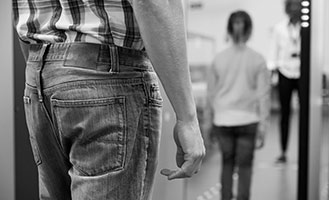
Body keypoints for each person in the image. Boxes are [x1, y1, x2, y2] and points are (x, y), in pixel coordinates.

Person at [13, 0, 205, 199]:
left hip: (38, 72)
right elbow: (152, 3)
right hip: (108, 75)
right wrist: (187, 119)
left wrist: (48, 74)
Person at [207, 10, 271, 200]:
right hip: (248, 120)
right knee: (245, 167)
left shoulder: (218, 59)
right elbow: (263, 96)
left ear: (228, 29)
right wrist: (264, 126)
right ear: (250, 29)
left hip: (223, 120)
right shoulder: (258, 59)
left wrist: (209, 124)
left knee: (227, 164)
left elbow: (211, 94)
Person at [268, 0, 301, 163]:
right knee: (285, 114)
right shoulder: (279, 28)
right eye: (292, 5)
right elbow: (273, 51)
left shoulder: (306, 26)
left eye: (297, 4)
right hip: (284, 72)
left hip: (302, 72)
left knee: (305, 114)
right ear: (287, 8)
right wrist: (272, 73)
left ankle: (305, 148)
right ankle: (283, 151)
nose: (294, 8)